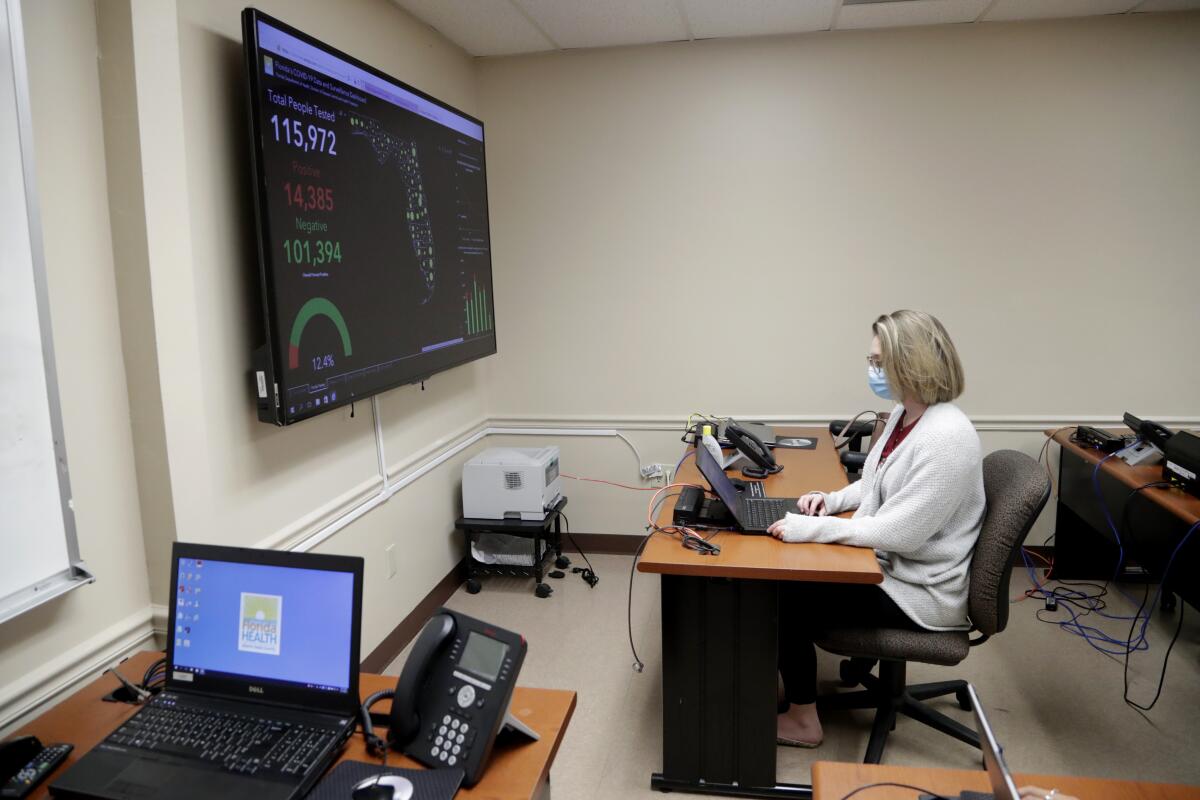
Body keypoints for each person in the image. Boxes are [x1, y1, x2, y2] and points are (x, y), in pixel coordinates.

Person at [766, 309, 985, 747]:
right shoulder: (906, 413)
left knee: (783, 591)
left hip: (920, 591)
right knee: (786, 573)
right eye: (871, 361)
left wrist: (813, 529)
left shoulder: (947, 437)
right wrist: (829, 502)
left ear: (912, 361)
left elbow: (900, 534)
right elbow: (874, 482)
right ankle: (783, 686)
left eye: (879, 362)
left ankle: (804, 720)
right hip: (894, 566)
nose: (872, 370)